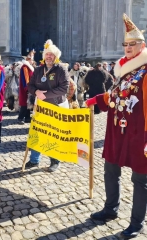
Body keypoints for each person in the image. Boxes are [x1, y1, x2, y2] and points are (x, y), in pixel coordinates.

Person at [86, 13, 147, 239]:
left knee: (141, 179)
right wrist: (95, 100)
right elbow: (115, 96)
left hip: (140, 133)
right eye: (125, 44)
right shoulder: (124, 71)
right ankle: (111, 209)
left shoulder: (145, 71)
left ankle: (136, 223)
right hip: (117, 130)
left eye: (133, 44)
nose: (128, 47)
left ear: (142, 46)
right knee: (111, 170)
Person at [26, 39, 69, 172]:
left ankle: (55, 160)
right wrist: (36, 91)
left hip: (56, 107)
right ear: (44, 56)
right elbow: (30, 85)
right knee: (37, 133)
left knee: (53, 135)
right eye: (47, 54)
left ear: (56, 56)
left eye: (51, 54)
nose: (49, 57)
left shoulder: (61, 69)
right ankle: (34, 160)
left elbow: (64, 88)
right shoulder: (39, 70)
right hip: (40, 107)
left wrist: (47, 94)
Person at [17, 50, 35, 124]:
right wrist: (27, 88)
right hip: (26, 88)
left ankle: (27, 118)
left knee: (28, 104)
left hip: (29, 87)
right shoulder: (25, 67)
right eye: (31, 59)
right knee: (24, 104)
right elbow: (25, 78)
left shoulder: (29, 67)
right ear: (28, 60)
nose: (32, 61)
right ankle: (20, 118)